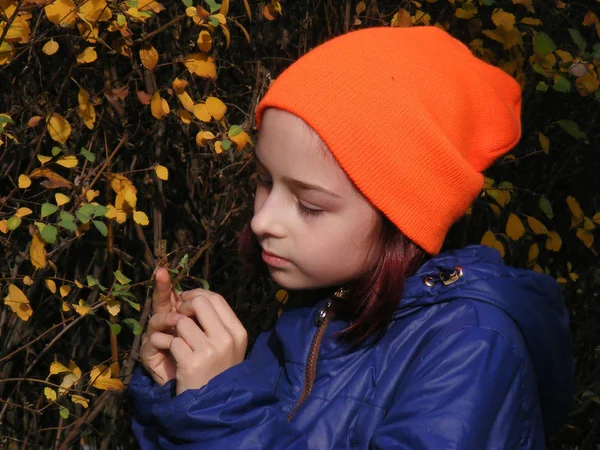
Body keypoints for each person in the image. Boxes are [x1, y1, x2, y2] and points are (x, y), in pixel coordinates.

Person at [129, 26, 573, 449]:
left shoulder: (472, 349)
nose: (263, 221)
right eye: (265, 181)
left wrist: (220, 406)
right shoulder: (316, 315)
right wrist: (175, 393)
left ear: (402, 216)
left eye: (309, 205)